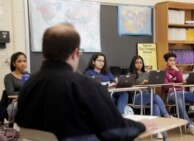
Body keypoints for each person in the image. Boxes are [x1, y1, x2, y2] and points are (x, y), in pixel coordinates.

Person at [15, 23, 148, 141]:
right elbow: (116, 130)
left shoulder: (28, 84)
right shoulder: (84, 85)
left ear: (44, 53)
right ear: (74, 53)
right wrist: (142, 125)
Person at [163, 52, 194, 135]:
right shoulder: (164, 72)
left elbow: (180, 81)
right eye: (170, 60)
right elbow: (166, 87)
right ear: (166, 62)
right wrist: (174, 84)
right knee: (179, 99)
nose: (173, 62)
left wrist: (177, 71)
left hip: (183, 92)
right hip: (172, 94)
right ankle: (189, 126)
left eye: (174, 60)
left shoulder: (177, 70)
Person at [129, 55, 171, 139]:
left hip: (148, 95)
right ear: (133, 64)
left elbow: (151, 85)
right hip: (137, 97)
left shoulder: (147, 73)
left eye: (141, 63)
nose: (139, 64)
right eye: (137, 63)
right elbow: (129, 89)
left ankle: (157, 130)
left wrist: (152, 83)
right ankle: (166, 115)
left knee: (155, 104)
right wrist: (140, 85)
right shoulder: (130, 74)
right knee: (155, 97)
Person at [3, 52, 27, 124]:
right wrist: (26, 92)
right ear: (14, 63)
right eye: (19, 61)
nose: (23, 63)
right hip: (14, 104)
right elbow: (10, 93)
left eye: (24, 61)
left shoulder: (28, 75)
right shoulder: (9, 77)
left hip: (27, 101)